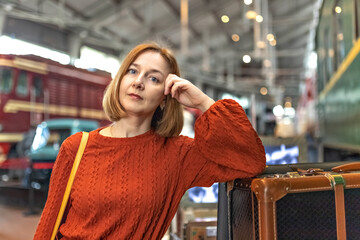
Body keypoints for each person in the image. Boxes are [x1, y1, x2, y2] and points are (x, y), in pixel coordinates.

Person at [34, 42, 266, 239]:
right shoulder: (76, 148)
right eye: (132, 72)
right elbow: (49, 224)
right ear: (120, 81)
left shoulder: (178, 155)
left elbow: (249, 161)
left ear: (166, 97)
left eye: (153, 78)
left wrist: (204, 103)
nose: (138, 82)